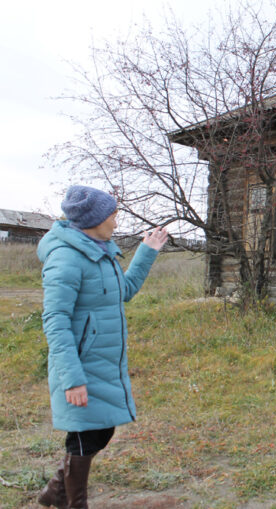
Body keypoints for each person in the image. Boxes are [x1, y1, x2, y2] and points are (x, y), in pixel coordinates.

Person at [36, 186, 168, 508]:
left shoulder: (101, 249)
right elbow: (55, 320)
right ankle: (71, 502)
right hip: (80, 365)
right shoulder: (66, 258)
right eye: (113, 215)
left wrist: (147, 250)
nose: (116, 221)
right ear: (94, 219)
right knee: (84, 436)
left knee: (101, 430)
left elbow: (123, 290)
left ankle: (56, 491)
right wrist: (72, 378)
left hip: (102, 362)